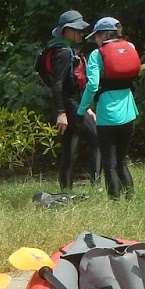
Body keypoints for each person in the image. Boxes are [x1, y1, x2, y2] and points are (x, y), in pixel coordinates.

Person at [75, 16, 140, 200]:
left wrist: (81, 110)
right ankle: (131, 199)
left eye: (97, 36)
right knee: (121, 161)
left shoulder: (97, 55)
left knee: (109, 164)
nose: (96, 40)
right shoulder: (130, 47)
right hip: (129, 113)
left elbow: (92, 86)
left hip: (107, 116)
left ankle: (115, 203)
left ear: (104, 35)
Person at [41, 11, 100, 191]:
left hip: (72, 103)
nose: (82, 33)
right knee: (98, 140)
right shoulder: (64, 53)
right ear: (67, 31)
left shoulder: (64, 50)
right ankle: (96, 186)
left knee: (69, 150)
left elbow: (72, 84)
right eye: (78, 30)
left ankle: (65, 190)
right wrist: (61, 113)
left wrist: (86, 107)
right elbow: (57, 84)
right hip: (70, 105)